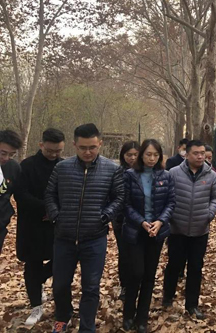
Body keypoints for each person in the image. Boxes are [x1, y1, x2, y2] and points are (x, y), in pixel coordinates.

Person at [45, 123, 125, 333]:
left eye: (92, 147)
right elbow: (50, 194)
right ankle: (63, 317)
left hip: (94, 238)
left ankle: (87, 327)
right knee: (60, 284)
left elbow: (119, 197)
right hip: (64, 237)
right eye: (82, 148)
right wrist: (56, 216)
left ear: (100, 144)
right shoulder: (62, 168)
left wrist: (105, 216)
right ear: (74, 145)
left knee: (91, 287)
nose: (87, 152)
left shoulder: (112, 169)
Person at [162, 140, 216, 319]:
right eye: (196, 153)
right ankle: (167, 297)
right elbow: (166, 196)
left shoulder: (211, 175)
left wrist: (208, 215)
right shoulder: (173, 173)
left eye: (202, 153)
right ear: (186, 155)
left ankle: (192, 305)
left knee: (196, 267)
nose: (200, 156)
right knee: (174, 265)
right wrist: (171, 217)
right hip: (177, 229)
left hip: (200, 230)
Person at [122, 139, 175, 333]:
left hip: (156, 232)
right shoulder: (130, 175)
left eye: (156, 155)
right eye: (148, 154)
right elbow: (125, 204)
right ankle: (128, 314)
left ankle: (142, 317)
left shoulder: (166, 176)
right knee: (136, 272)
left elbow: (171, 202)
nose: (152, 159)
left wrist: (160, 222)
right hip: (136, 231)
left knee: (149, 275)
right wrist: (141, 222)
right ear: (141, 155)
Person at [15, 128, 65, 326]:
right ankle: (36, 305)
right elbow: (21, 194)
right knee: (33, 264)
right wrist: (45, 208)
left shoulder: (64, 166)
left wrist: (55, 211)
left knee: (60, 260)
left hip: (56, 224)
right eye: (50, 150)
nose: (53, 154)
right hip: (32, 224)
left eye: (58, 151)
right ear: (41, 145)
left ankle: (40, 282)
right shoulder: (27, 166)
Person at [114, 140, 139, 301]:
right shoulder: (117, 173)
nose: (132, 158)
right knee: (124, 254)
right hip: (121, 220)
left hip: (141, 220)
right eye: (129, 155)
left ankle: (137, 284)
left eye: (136, 155)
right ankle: (125, 285)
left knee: (138, 255)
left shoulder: (145, 172)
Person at [0, 129, 22, 255]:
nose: (6, 158)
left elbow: (20, 195)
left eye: (11, 154)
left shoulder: (13, 168)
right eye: (3, 153)